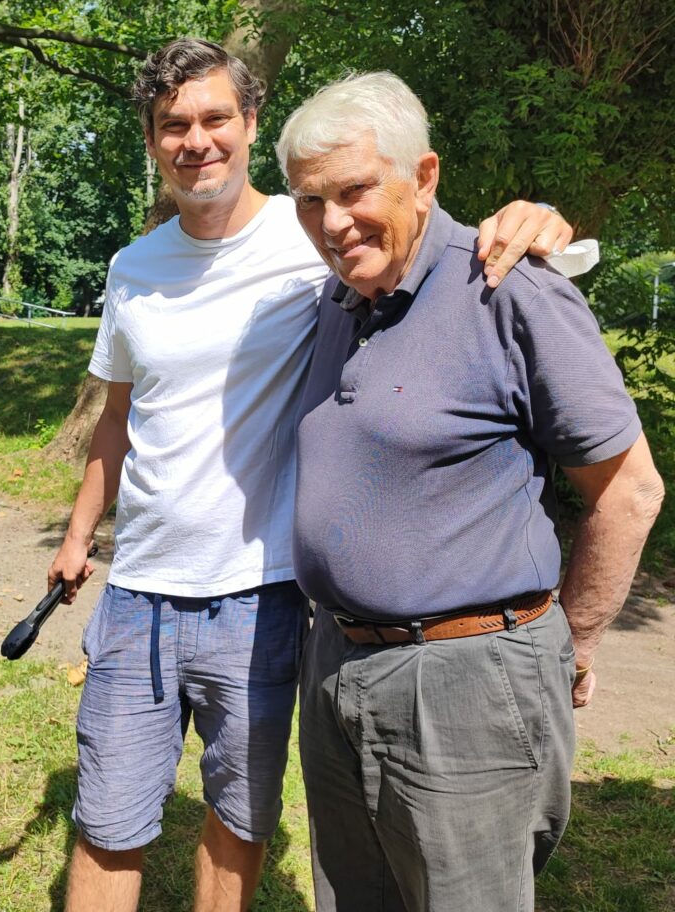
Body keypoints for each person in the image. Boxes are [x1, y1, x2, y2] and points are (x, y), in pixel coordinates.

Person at [48, 39, 574, 912]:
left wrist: (532, 216)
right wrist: (76, 540)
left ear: (250, 123)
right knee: (107, 820)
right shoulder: (132, 268)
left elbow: (420, 236)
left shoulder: (319, 239)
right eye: (173, 125)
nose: (197, 140)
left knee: (239, 814)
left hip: (262, 595)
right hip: (138, 589)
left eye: (216, 117)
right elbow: (117, 415)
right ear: (151, 142)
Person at [280, 71, 665, 912]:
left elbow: (630, 489)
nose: (332, 222)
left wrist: (580, 640)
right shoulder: (340, 297)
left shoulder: (510, 285)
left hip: (463, 682)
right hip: (339, 664)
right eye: (310, 201)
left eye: (353, 191)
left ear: (424, 177)